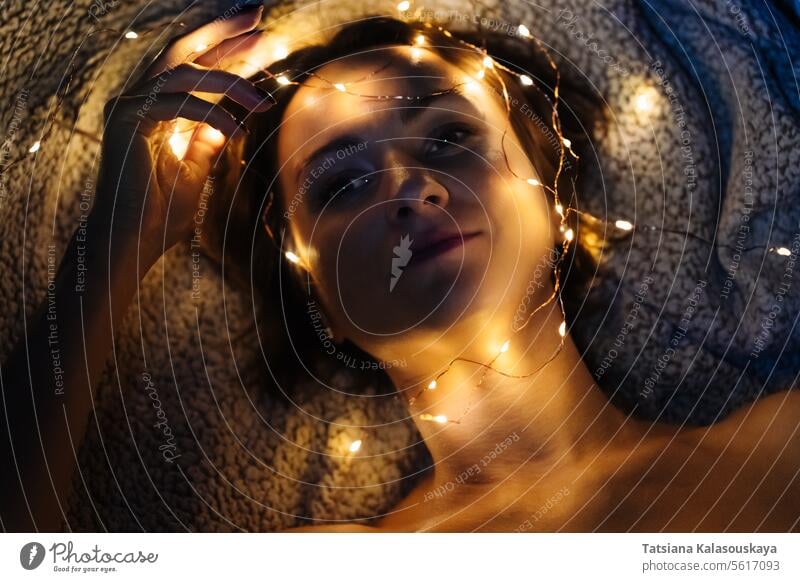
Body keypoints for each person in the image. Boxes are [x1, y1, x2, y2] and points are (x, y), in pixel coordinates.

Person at [1, 5, 797, 533]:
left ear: (551, 200)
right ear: (315, 283)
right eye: (341, 183)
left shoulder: (780, 449)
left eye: (449, 136)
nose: (409, 185)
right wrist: (113, 243)